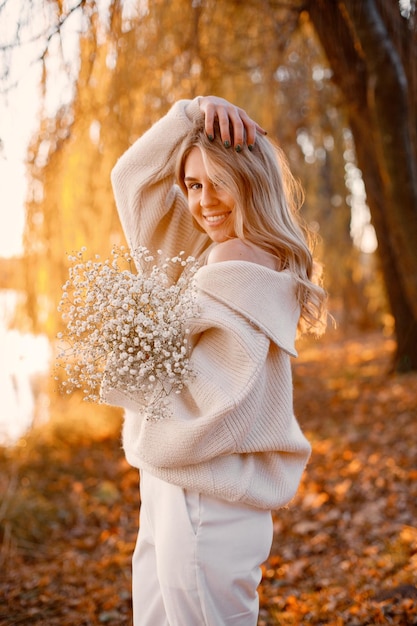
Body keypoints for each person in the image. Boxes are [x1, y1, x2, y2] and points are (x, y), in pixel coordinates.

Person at [105, 96, 327, 626]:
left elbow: (197, 395)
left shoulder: (234, 261)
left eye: (219, 182)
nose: (204, 202)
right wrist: (193, 114)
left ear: (252, 182)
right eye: (193, 185)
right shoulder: (223, 253)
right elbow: (130, 180)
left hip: (203, 499)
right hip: (179, 487)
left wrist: (190, 113)